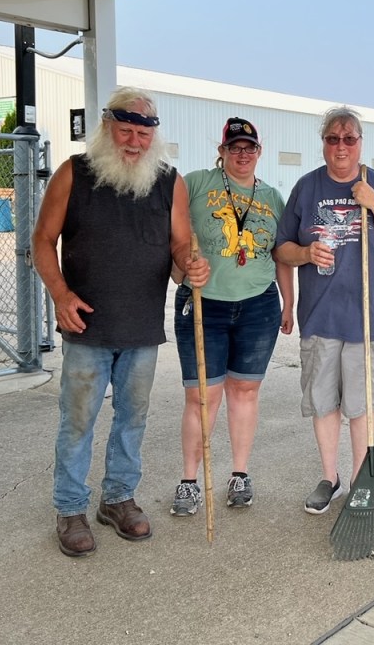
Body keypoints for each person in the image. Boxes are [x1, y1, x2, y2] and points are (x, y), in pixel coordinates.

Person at [32, 87, 209, 557]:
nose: (134, 142)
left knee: (133, 418)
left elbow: (179, 246)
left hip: (141, 326)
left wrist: (191, 263)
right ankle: (70, 508)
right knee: (78, 421)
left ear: (155, 136)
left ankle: (117, 499)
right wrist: (60, 294)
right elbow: (42, 241)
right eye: (125, 131)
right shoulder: (74, 174)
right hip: (86, 324)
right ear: (107, 129)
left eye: (142, 134)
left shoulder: (170, 182)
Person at [274, 106, 374, 515]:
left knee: (362, 405)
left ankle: (358, 480)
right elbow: (281, 248)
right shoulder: (306, 187)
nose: (341, 146)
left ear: (360, 143)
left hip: (367, 319)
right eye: (333, 138)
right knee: (323, 402)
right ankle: (330, 478)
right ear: (323, 144)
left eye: (349, 138)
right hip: (320, 316)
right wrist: (303, 251)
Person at [170, 117, 294, 516]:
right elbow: (172, 234)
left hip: (258, 304)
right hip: (205, 302)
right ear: (221, 152)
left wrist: (289, 303)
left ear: (259, 152)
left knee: (245, 391)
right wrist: (180, 268)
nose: (242, 154)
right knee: (202, 396)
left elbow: (280, 255)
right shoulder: (194, 184)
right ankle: (190, 480)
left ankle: (240, 473)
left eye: (250, 147)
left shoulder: (273, 197)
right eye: (234, 147)